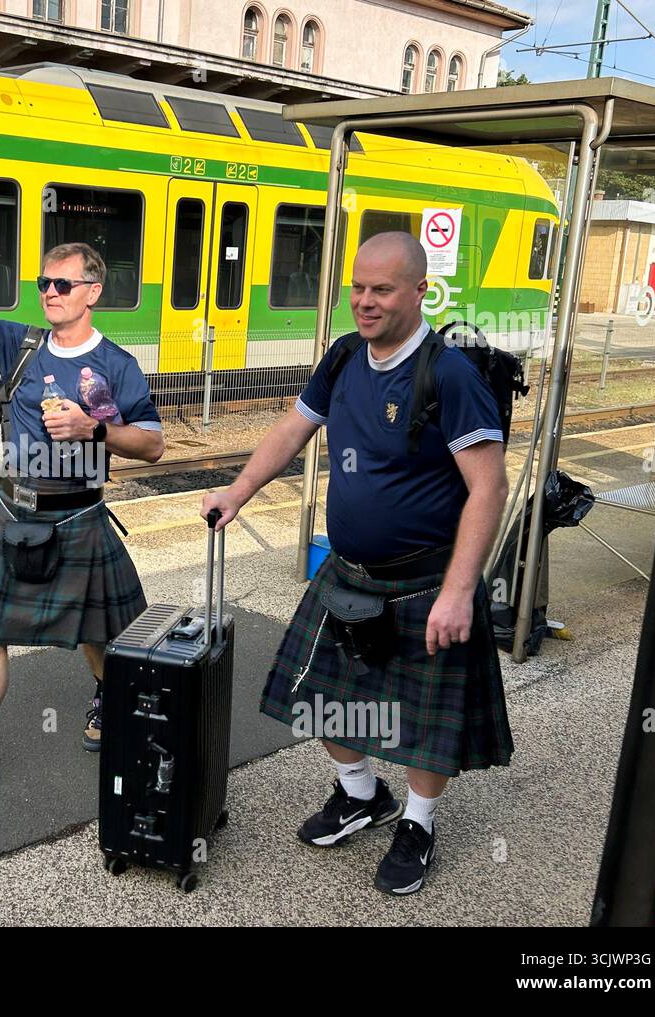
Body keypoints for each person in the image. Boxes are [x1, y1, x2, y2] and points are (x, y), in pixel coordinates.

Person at [201, 231, 512, 895]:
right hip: (347, 575)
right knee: (317, 699)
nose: (365, 302)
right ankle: (362, 793)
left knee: (425, 727)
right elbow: (292, 429)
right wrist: (236, 491)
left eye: (382, 290)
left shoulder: (448, 374)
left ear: (420, 291)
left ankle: (419, 822)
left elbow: (490, 486)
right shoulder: (343, 356)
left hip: (428, 582)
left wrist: (460, 591)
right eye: (358, 287)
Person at [0, 237, 164, 794]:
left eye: (63, 285)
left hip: (78, 516)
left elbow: (152, 445)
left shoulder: (116, 365)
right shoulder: (20, 344)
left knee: (100, 632)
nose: (50, 293)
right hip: (12, 510)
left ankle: (105, 697)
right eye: (44, 284)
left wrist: (92, 429)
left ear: (92, 292)